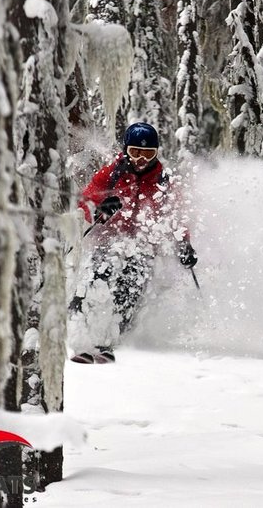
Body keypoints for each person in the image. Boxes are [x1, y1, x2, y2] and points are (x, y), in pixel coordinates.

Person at [67, 122, 197, 363]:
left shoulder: (163, 180)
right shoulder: (112, 173)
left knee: (131, 287)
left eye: (148, 154)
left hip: (143, 243)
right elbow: (84, 201)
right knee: (98, 278)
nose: (140, 159)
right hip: (109, 240)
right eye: (135, 152)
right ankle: (80, 334)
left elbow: (176, 214)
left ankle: (111, 339)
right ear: (126, 150)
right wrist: (99, 209)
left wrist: (184, 244)